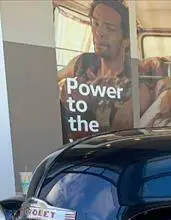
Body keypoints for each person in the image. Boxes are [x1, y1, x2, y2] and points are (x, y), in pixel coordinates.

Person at [57, 0, 150, 141]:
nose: (99, 32)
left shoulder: (136, 78)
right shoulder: (82, 62)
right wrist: (63, 96)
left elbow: (146, 91)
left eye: (110, 28)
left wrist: (133, 106)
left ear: (125, 40)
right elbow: (51, 80)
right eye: (95, 24)